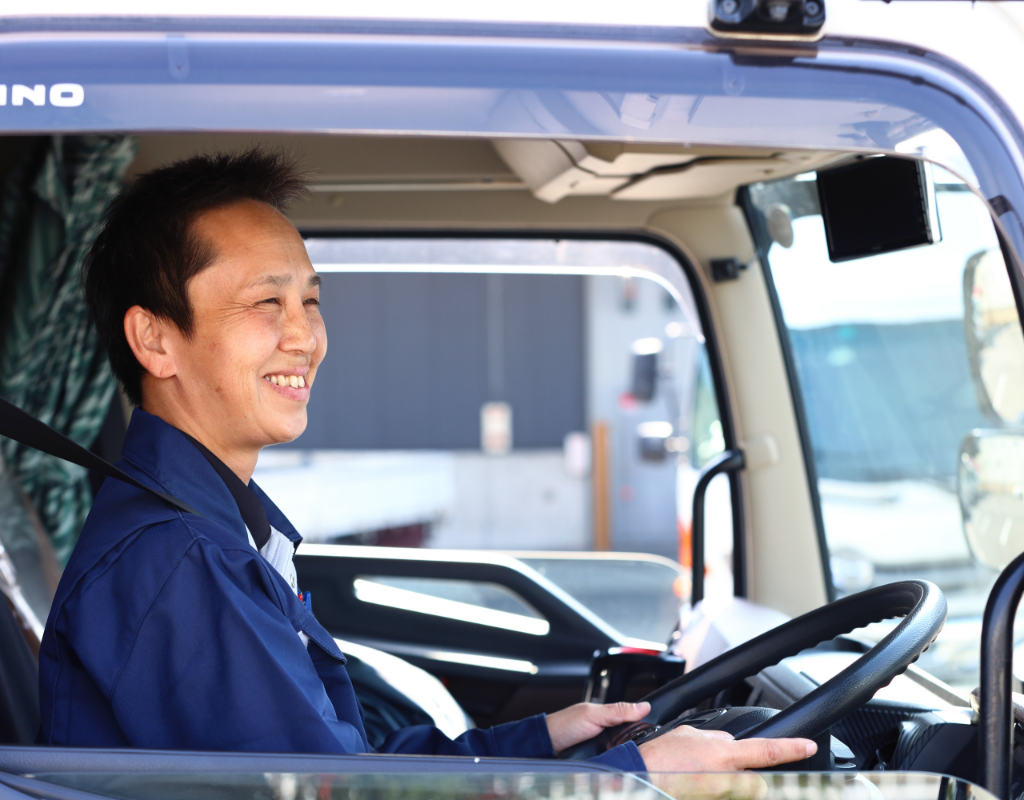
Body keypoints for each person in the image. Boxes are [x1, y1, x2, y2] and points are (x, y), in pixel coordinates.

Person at [37, 148, 816, 772]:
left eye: (311, 301)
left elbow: (345, 770)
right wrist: (631, 780)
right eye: (266, 303)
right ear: (155, 339)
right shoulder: (180, 564)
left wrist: (543, 741)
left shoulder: (215, 531)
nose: (305, 336)